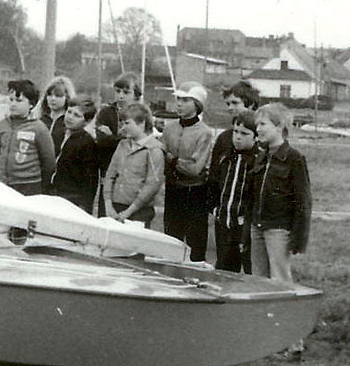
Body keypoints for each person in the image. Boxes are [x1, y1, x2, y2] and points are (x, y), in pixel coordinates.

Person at [247, 103, 312, 281]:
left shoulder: (294, 159)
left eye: (263, 124)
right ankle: (262, 309)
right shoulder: (261, 157)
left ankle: (282, 309)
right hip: (257, 226)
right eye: (257, 124)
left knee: (279, 277)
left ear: (279, 127)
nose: (257, 129)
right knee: (258, 277)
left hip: (278, 229)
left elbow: (303, 200)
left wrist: (299, 238)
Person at [208, 79, 259, 272]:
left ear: (251, 104)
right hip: (224, 215)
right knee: (224, 264)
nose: (230, 108)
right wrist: (213, 206)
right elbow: (214, 175)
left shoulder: (261, 139)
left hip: (246, 219)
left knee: (250, 266)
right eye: (228, 104)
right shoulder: (224, 138)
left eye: (235, 103)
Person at [161, 82, 214, 262]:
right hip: (173, 190)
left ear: (197, 104)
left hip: (195, 193)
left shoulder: (205, 133)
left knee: (195, 244)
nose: (179, 104)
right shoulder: (169, 129)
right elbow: (161, 159)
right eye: (178, 99)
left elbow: (195, 168)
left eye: (185, 100)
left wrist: (172, 159)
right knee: (170, 239)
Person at [103, 102, 164, 228]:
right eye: (122, 123)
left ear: (141, 123)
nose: (122, 128)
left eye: (127, 123)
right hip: (115, 207)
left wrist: (128, 212)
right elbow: (110, 175)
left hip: (139, 212)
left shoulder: (153, 149)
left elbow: (152, 185)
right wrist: (108, 204)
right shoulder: (122, 145)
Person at [0, 79, 56, 196]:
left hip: (29, 185)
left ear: (31, 104)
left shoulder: (39, 128)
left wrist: (41, 185)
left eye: (19, 100)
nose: (13, 104)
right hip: (4, 183)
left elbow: (49, 162)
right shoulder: (2, 125)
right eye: (11, 100)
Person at [95, 72, 142, 217]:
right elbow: (102, 142)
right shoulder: (106, 112)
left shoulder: (141, 114)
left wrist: (112, 136)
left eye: (126, 92)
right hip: (108, 172)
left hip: (132, 178)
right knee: (105, 218)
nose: (121, 96)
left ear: (136, 94)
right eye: (118, 91)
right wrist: (119, 138)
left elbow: (139, 140)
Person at [51, 94, 99, 213]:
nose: (70, 117)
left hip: (72, 198)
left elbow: (90, 178)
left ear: (86, 121)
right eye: (69, 112)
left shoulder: (87, 143)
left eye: (77, 115)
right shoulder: (58, 134)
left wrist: (85, 206)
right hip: (53, 193)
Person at [38, 75, 76, 156]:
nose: (53, 99)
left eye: (58, 95)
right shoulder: (40, 121)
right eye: (49, 95)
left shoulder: (70, 123)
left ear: (67, 97)